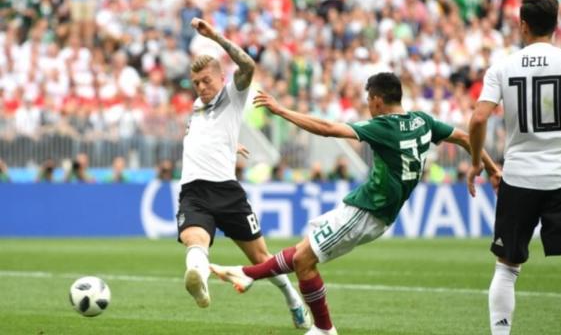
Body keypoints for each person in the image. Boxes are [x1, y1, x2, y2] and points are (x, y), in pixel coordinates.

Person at [210, 72, 501, 335]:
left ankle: (255, 279)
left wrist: (280, 110)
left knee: (303, 260)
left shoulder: (384, 126)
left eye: (368, 100)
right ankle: (291, 306)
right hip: (365, 207)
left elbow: (327, 128)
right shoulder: (423, 121)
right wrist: (487, 167)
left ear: (376, 100)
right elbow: (464, 137)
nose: (367, 106)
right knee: (302, 253)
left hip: (368, 212)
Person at [466, 0, 561, 335]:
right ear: (556, 25)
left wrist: (476, 162)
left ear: (522, 25)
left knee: (506, 267)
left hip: (518, 177)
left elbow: (477, 119)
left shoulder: (502, 68)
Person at [176, 17, 311, 329]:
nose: (201, 87)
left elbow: (248, 65)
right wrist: (230, 144)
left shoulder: (232, 95)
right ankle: (199, 279)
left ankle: (292, 299)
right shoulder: (197, 107)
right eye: (196, 83)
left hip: (227, 192)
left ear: (221, 78)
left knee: (261, 258)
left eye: (206, 81)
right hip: (194, 191)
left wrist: (216, 37)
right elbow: (205, 136)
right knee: (194, 241)